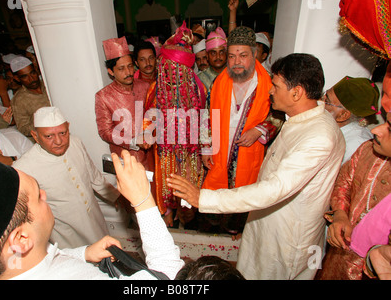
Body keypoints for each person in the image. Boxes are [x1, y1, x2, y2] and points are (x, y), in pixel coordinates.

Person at [167, 53, 346, 280]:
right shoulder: (302, 120)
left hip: (287, 237)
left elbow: (275, 188)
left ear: (297, 92)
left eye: (276, 86)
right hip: (268, 222)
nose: (270, 90)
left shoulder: (319, 136)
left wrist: (203, 198)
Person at [0, 146, 184, 280]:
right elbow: (168, 277)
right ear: (22, 239)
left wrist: (82, 254)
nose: (45, 195)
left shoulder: (8, 263)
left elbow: (18, 262)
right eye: (38, 195)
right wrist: (143, 200)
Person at [199, 25, 275, 236]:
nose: (236, 62)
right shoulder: (219, 81)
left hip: (249, 150)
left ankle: (238, 233)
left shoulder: (270, 83)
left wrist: (260, 130)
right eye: (231, 56)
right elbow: (207, 115)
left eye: (243, 55)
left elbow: (279, 116)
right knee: (216, 196)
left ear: (255, 54)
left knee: (244, 197)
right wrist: (206, 148)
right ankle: (216, 235)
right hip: (220, 148)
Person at [13, 106, 121, 249]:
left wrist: (117, 197)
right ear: (35, 136)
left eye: (63, 133)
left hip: (94, 217)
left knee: (106, 249)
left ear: (68, 127)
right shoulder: (23, 168)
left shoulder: (75, 142)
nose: (59, 141)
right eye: (49, 136)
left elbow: (94, 176)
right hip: (65, 232)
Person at [144, 22, 207, 227]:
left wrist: (206, 147)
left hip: (191, 153)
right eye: (170, 68)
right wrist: (147, 133)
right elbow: (149, 115)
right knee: (167, 192)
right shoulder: (156, 88)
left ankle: (188, 218)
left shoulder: (198, 88)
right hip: (166, 152)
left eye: (178, 69)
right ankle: (169, 215)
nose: (174, 73)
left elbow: (206, 121)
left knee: (188, 197)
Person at [316, 112, 391, 280]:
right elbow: (343, 183)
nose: (376, 130)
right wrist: (340, 214)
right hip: (340, 254)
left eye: (390, 129)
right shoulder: (367, 150)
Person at [95, 36, 155, 181]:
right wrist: (133, 141)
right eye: (121, 68)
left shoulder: (144, 86)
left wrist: (148, 131)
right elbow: (105, 131)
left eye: (130, 66)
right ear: (110, 71)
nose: (128, 72)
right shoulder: (103, 96)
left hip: (151, 155)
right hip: (126, 159)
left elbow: (152, 114)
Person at [323, 76, 379, 164]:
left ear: (343, 115)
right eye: (323, 95)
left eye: (326, 101)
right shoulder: (329, 127)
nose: (319, 102)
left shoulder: (356, 146)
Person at [10, 56, 51, 137]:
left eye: (32, 73)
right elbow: (23, 128)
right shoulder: (19, 100)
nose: (31, 79)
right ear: (17, 78)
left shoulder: (49, 83)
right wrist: (43, 122)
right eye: (25, 76)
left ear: (36, 70)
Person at [197, 27, 227, 92]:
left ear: (226, 54)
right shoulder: (200, 79)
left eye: (221, 52)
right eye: (213, 53)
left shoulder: (234, 75)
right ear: (207, 56)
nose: (218, 56)